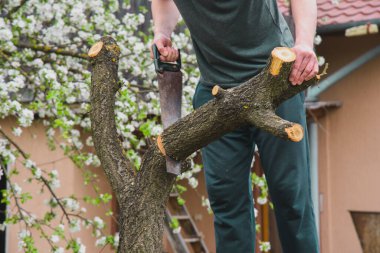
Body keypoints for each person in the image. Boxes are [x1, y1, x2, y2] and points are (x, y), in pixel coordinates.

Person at [150, 0, 320, 252]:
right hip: (216, 89)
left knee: (291, 196)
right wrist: (162, 32)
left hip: (274, 79)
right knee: (226, 203)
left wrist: (304, 42)